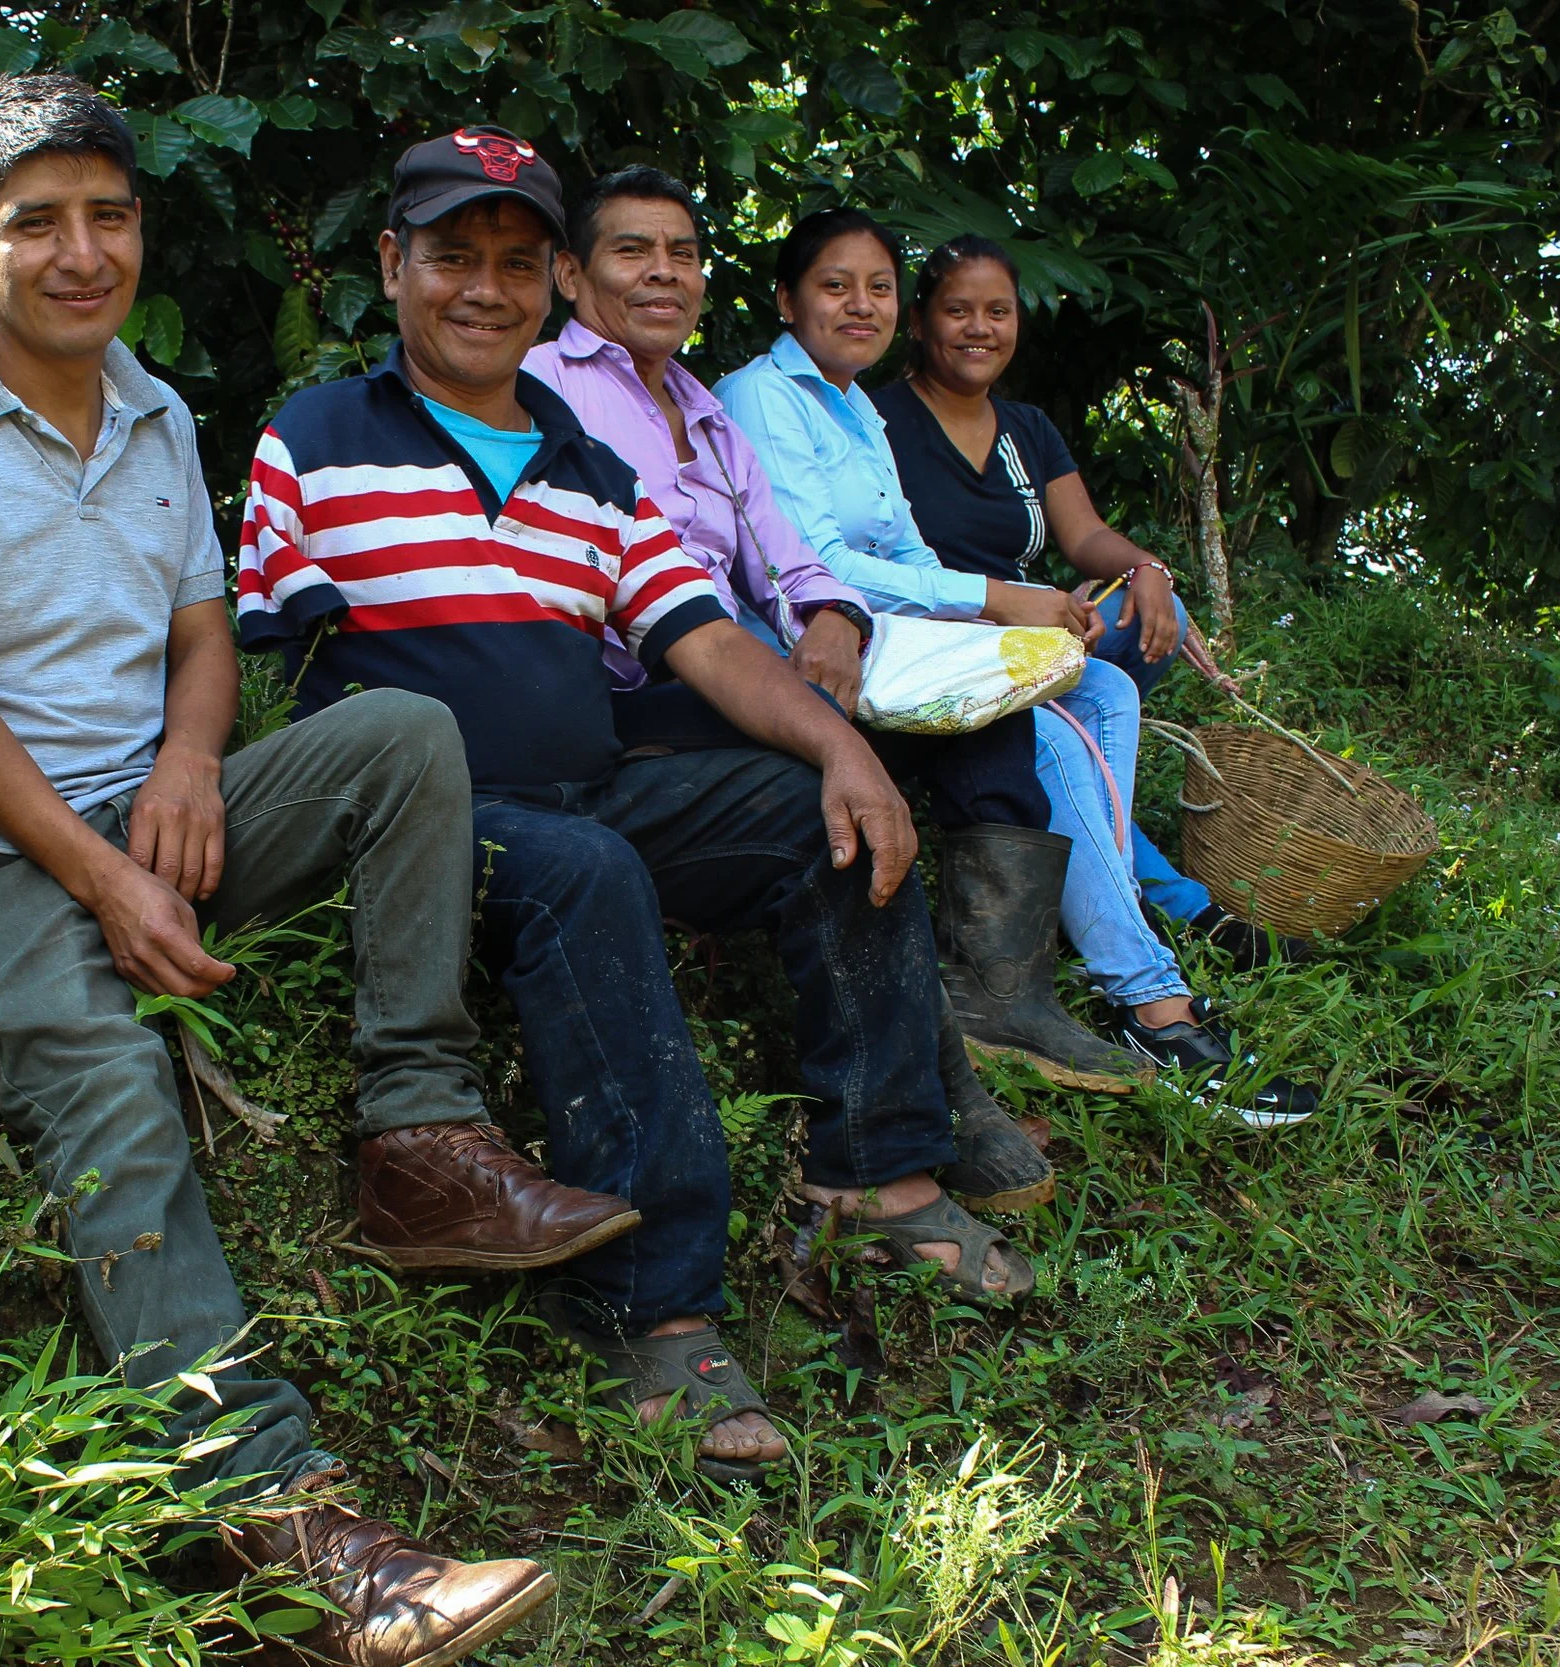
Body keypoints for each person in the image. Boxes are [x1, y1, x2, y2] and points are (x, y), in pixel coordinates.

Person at [0, 75, 589, 1666]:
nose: (81, 251)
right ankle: (285, 1519)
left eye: (108, 216)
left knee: (401, 733)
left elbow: (196, 627)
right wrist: (104, 881)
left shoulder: (158, 410)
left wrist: (184, 767)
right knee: (108, 1075)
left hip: (141, 799)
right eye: (37, 222)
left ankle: (418, 1136)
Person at [237, 129, 1039, 1483]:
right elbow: (282, 672)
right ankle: (653, 1301)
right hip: (431, 823)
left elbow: (708, 642)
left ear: (553, 280)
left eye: (512, 263)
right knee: (588, 865)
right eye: (449, 259)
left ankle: (874, 1174)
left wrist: (843, 749)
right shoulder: (315, 437)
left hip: (592, 783)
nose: (482, 291)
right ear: (392, 266)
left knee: (815, 807)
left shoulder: (584, 465)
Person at [523, 165, 1052, 1220]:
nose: (661, 273)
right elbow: (626, 602)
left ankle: (976, 1034)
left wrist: (833, 619)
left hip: (734, 673)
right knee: (827, 788)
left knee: (956, 723)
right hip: (638, 694)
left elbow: (794, 563)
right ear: (573, 274)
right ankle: (932, 1097)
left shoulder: (704, 410)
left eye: (680, 253)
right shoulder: (547, 383)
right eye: (633, 251)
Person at [864, 233, 1319, 1125]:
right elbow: (874, 567)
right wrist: (1010, 609)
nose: (979, 327)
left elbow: (1087, 538)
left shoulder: (1027, 427)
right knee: (1085, 710)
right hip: (945, 649)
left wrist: (1148, 565)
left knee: (1151, 629)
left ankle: (1120, 903)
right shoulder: (876, 420)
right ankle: (1152, 991)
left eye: (998, 311)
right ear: (918, 322)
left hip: (1037, 636)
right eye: (958, 308)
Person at [718, 209, 1157, 1095]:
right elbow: (812, 564)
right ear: (786, 300)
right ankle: (1116, 980)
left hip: (882, 636)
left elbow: (910, 553)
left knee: (1078, 692)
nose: (860, 305)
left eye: (877, 287)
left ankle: (1019, 974)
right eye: (835, 286)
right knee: (1039, 723)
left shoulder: (853, 408)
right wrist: (996, 599)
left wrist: (1007, 624)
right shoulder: (763, 397)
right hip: (806, 652)